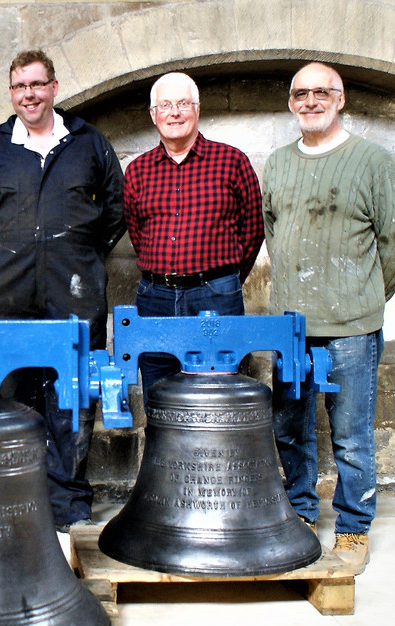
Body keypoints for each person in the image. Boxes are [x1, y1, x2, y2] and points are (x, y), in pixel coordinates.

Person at [0, 50, 125, 531]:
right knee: (8, 394)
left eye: (37, 85)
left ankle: (67, 502)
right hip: (4, 295)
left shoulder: (88, 142)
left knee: (70, 396)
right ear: (11, 93)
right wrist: (9, 255)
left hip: (71, 294)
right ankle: (12, 498)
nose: (28, 95)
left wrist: (78, 254)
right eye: (19, 87)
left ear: (54, 87)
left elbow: (115, 211)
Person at [263, 62, 395, 570]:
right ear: (291, 103)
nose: (310, 101)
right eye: (300, 93)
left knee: (350, 435)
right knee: (289, 428)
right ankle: (301, 513)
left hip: (351, 328)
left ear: (340, 98)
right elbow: (273, 233)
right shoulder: (279, 163)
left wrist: (362, 300)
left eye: (321, 92)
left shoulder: (372, 161)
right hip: (291, 328)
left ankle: (352, 528)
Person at [123, 72, 264, 404]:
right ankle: (163, 458)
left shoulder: (231, 162)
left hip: (214, 295)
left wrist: (223, 281)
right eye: (166, 105)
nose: (175, 113)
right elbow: (137, 232)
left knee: (218, 398)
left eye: (183, 103)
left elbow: (253, 229)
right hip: (154, 297)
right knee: (158, 395)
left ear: (197, 109)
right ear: (153, 114)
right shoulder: (138, 170)